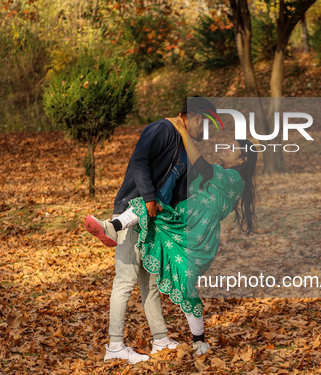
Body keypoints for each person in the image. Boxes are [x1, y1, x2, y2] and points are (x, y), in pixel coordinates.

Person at [87, 116, 258, 357]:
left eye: (231, 148)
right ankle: (113, 226)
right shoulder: (215, 171)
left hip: (196, 233)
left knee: (182, 281)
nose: (224, 148)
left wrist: (181, 130)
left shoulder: (234, 179)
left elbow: (203, 167)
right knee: (149, 209)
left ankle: (194, 340)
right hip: (180, 221)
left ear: (243, 160)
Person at [86, 98, 216, 364]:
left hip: (155, 221)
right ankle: (114, 347)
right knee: (125, 281)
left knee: (152, 285)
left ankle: (160, 340)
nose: (205, 130)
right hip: (134, 209)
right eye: (204, 122)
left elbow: (193, 181)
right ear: (191, 116)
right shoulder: (161, 129)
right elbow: (139, 162)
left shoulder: (184, 147)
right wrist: (147, 197)